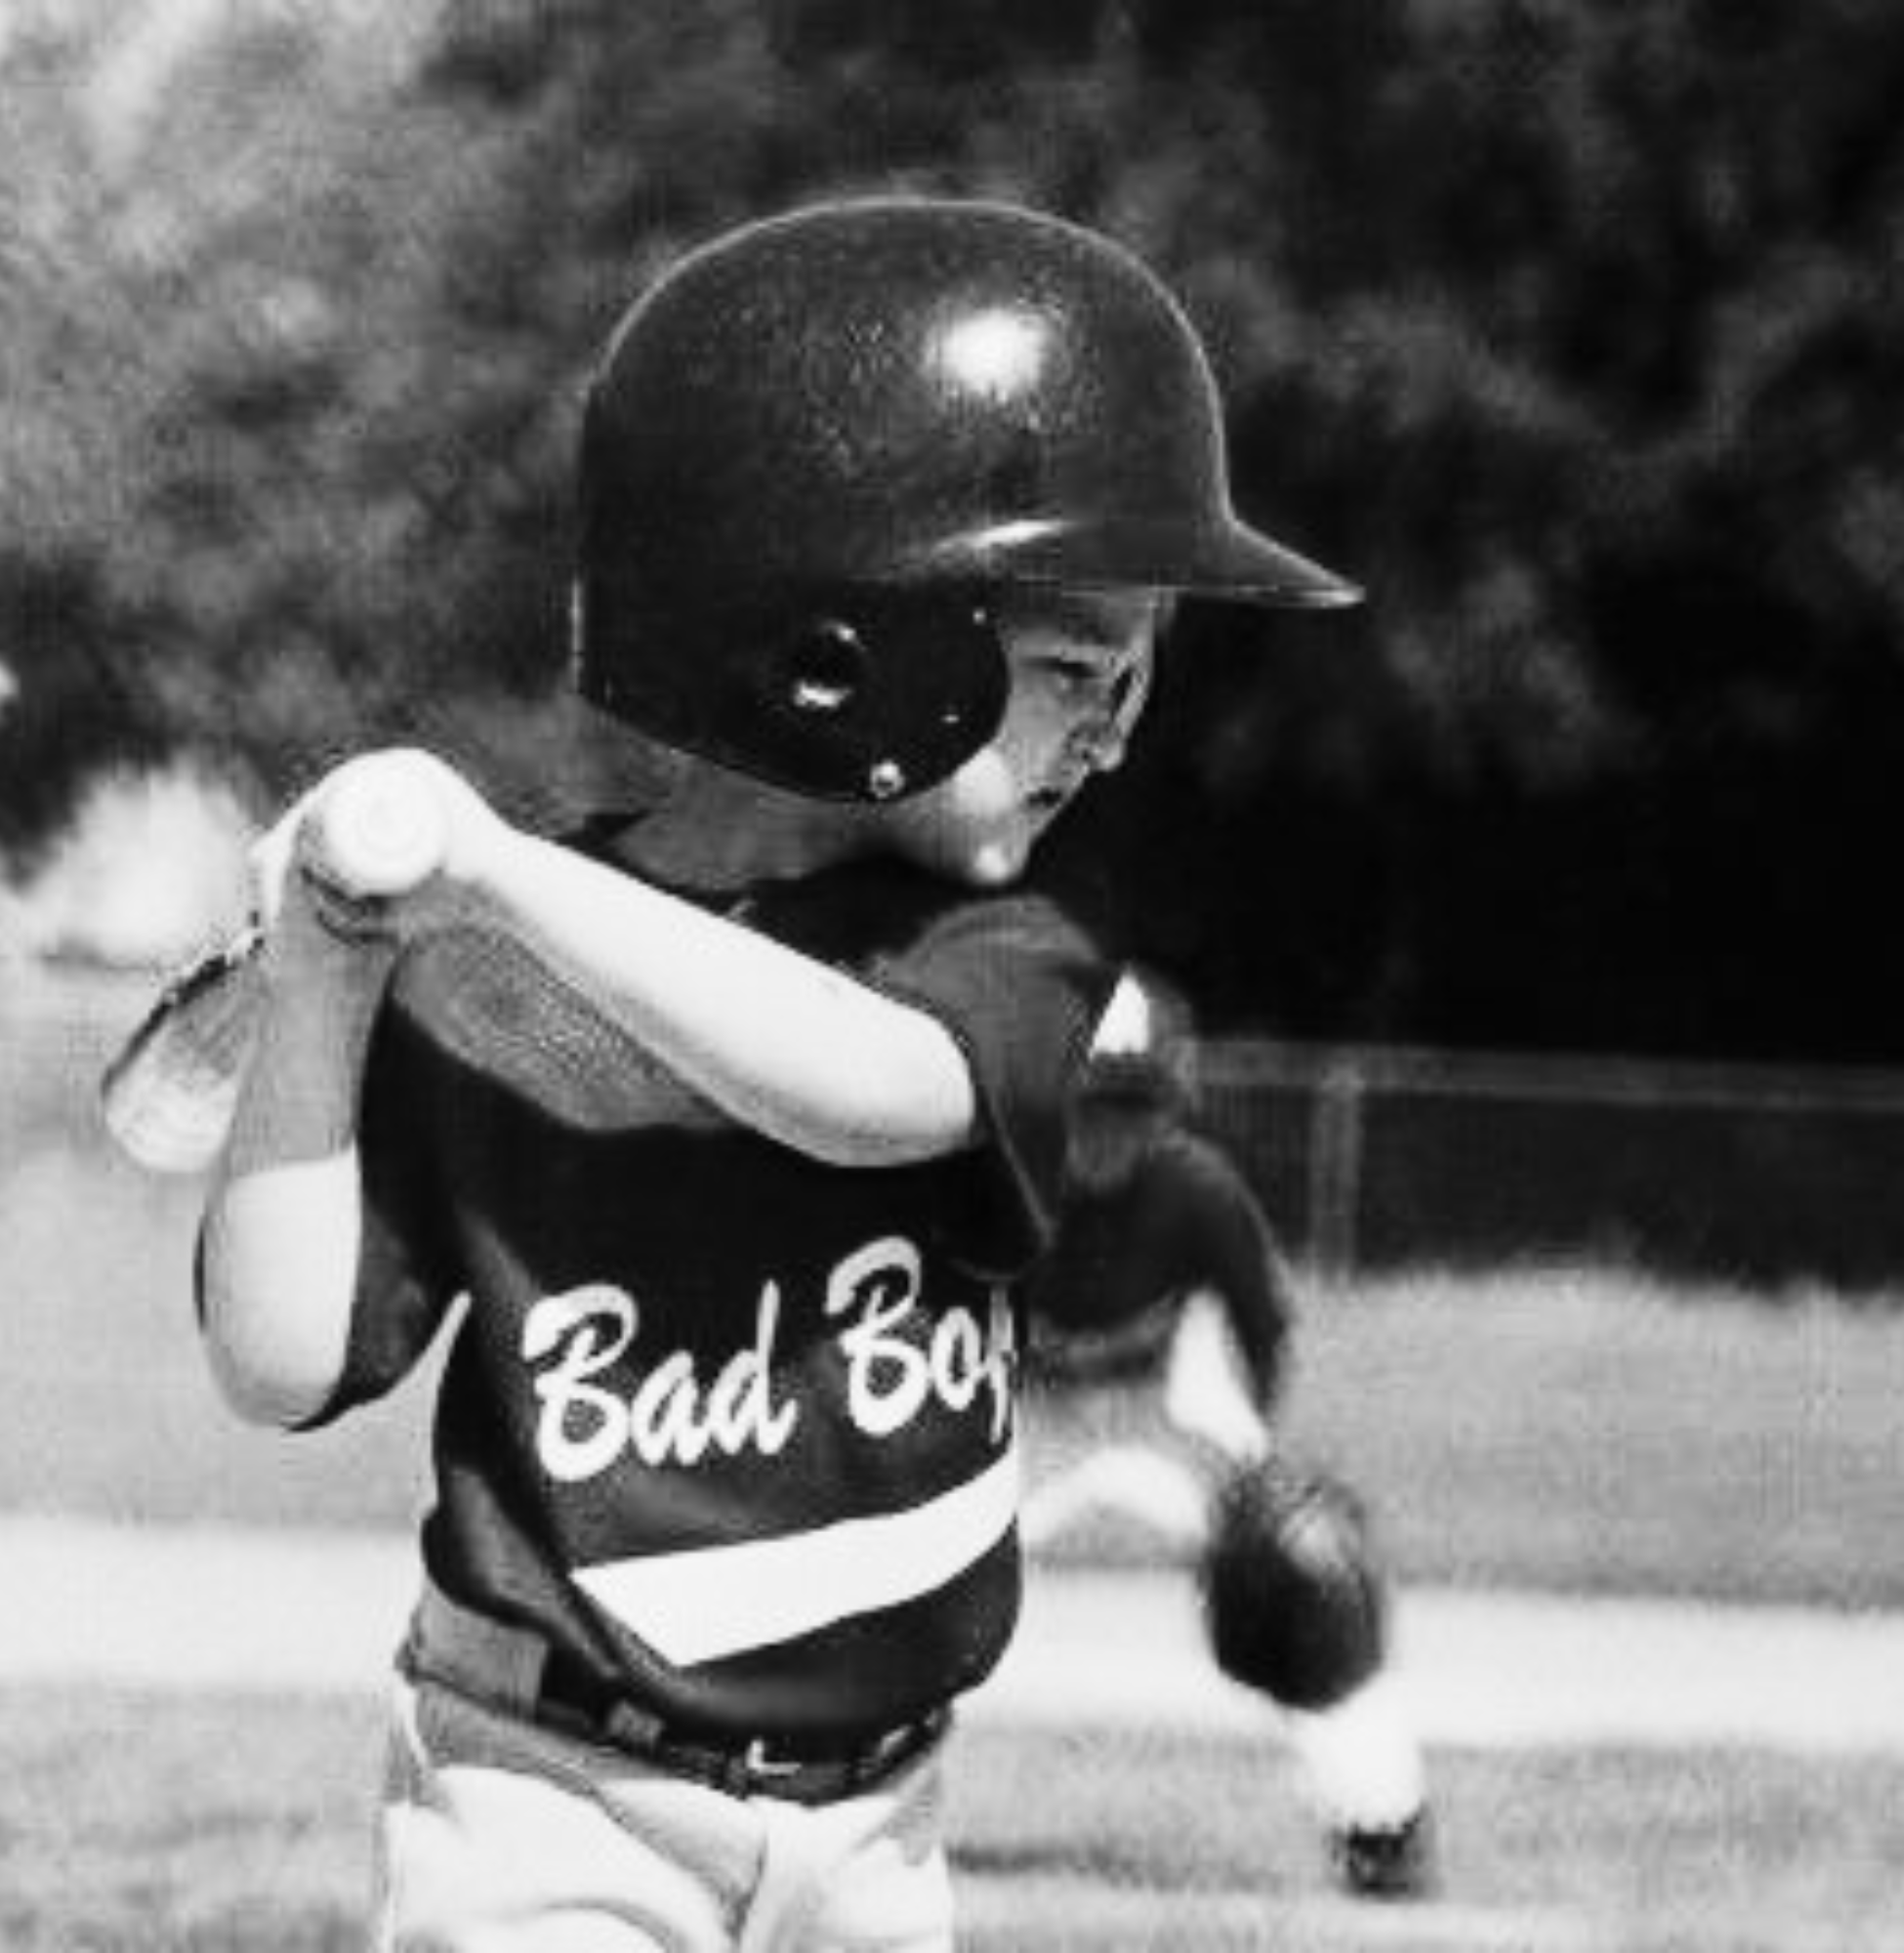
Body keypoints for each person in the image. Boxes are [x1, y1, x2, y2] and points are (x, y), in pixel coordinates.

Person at [193, 195, 1362, 1952]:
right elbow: (278, 1367)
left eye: (1132, 683)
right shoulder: (481, 978)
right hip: (539, 1796)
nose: (1113, 735)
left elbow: (866, 1092)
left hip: (881, 1836)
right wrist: (323, 972)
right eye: (1067, 670)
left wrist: (496, 873)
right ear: (839, 652)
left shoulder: (1010, 958)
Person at [1019, 971, 1435, 1901]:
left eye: (1133, 1106)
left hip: (1164, 1420)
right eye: (1088, 1105)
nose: (1108, 1131)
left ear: (1169, 1108)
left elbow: (1262, 1332)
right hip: (1022, 1428)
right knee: (880, 1578)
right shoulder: (1003, 1184)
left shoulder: (1197, 1191)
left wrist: (1255, 1481)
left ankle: (1380, 1821)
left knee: (1309, 1565)